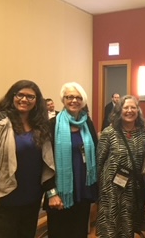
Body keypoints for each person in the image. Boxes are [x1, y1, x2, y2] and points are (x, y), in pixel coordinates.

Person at [0, 80, 61, 238]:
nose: (24, 100)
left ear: (37, 101)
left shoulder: (39, 126)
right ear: (12, 96)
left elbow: (45, 162)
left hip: (31, 203)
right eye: (20, 95)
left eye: (30, 97)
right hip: (1, 205)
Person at [46, 82, 98, 238]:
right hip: (60, 191)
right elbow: (45, 161)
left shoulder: (87, 123)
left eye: (78, 97)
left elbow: (96, 150)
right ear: (63, 99)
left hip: (83, 188)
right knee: (59, 231)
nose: (74, 100)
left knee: (80, 231)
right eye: (70, 97)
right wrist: (51, 192)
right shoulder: (52, 124)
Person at [96, 95, 145, 238]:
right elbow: (99, 161)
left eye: (133, 107)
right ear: (119, 111)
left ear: (138, 110)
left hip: (133, 189)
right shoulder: (109, 132)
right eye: (126, 107)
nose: (129, 110)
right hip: (111, 189)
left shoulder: (143, 132)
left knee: (129, 226)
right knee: (111, 226)